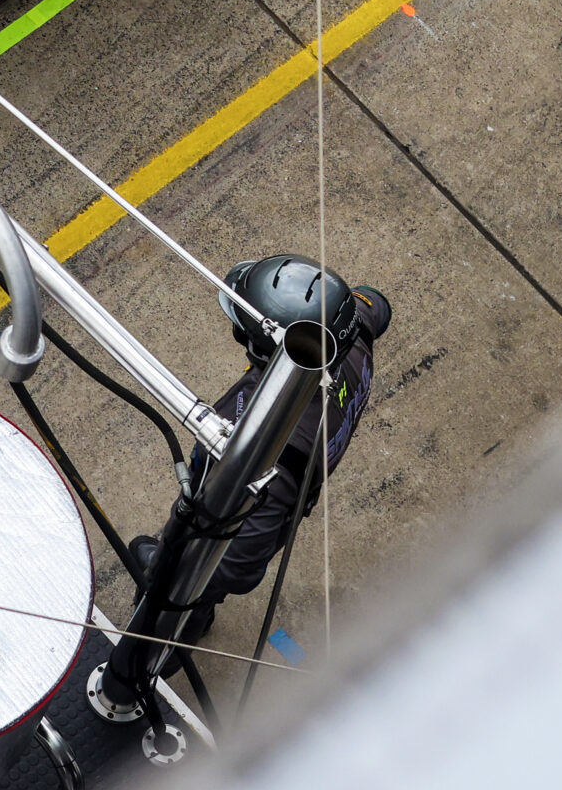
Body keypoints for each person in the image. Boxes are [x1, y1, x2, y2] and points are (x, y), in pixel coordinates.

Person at [143, 256, 393, 662]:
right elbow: (374, 303)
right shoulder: (352, 330)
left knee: (176, 602)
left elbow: (236, 567)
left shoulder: (255, 443)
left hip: (259, 511)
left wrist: (165, 568)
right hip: (300, 481)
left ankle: (168, 648)